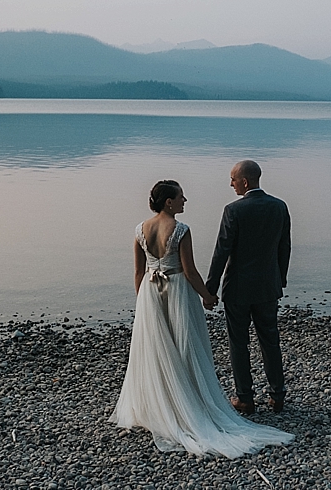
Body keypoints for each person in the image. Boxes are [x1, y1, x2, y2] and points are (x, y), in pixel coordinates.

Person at [109, 180, 293, 457]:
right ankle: (192, 402)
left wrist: (143, 302)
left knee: (157, 350)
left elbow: (138, 272)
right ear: (169, 202)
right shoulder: (181, 230)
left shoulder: (139, 229)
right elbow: (190, 271)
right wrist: (207, 295)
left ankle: (159, 404)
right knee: (186, 346)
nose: (186, 200)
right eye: (181, 196)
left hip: (150, 291)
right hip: (178, 291)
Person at [205, 160, 291, 415]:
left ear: (244, 182)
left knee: (238, 342)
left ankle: (245, 397)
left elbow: (222, 250)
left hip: (238, 288)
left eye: (233, 179)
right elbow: (284, 247)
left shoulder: (233, 210)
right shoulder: (279, 206)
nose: (230, 183)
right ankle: (277, 396)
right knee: (270, 340)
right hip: (267, 285)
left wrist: (210, 288)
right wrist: (280, 279)